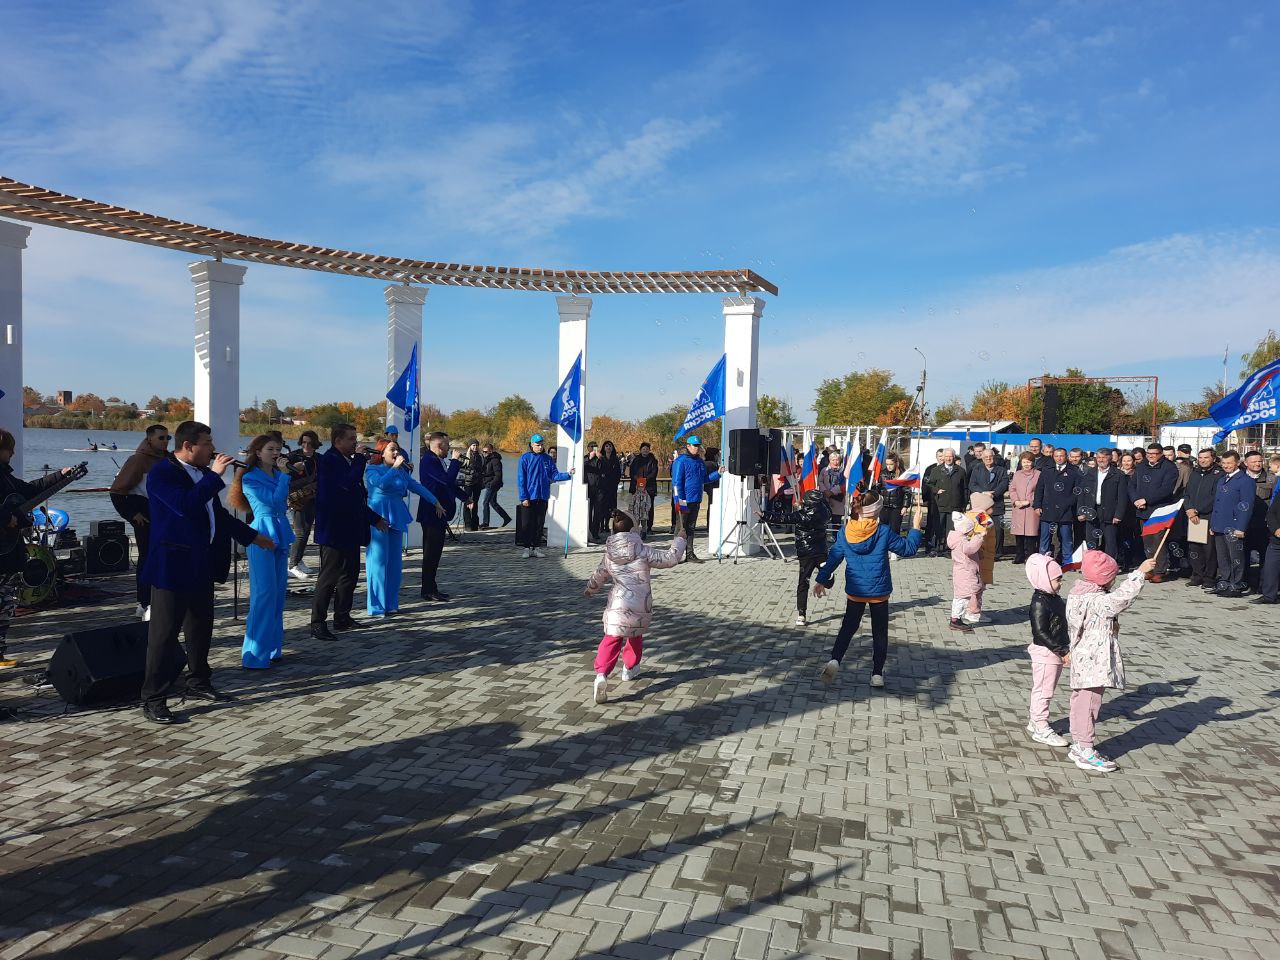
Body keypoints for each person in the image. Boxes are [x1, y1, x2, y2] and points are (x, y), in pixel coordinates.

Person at [138, 421, 272, 724]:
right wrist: (214, 477)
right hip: (171, 566)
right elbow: (184, 505)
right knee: (164, 634)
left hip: (201, 563)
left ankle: (198, 681)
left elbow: (219, 517)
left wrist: (252, 536)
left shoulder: (201, 476)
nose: (213, 449)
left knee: (200, 628)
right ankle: (153, 698)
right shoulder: (162, 472)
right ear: (189, 446)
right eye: (207, 443)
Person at [813, 491, 924, 688]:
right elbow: (908, 549)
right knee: (879, 632)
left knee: (848, 627)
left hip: (856, 589)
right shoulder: (883, 531)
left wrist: (821, 579)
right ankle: (877, 674)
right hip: (879, 592)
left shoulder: (845, 531)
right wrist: (916, 527)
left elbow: (834, 557)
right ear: (876, 511)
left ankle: (835, 660)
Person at [1064, 551, 1156, 773]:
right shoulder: (1097, 600)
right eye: (1112, 577)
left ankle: (1079, 743)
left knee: (1081, 702)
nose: (1114, 580)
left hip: (1083, 658)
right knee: (1089, 704)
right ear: (1104, 578)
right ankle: (1085, 749)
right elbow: (1120, 599)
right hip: (1093, 661)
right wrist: (1139, 574)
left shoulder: (1078, 594)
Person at [584, 510, 685, 704]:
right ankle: (629, 669)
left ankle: (601, 674)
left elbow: (599, 575)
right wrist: (679, 539)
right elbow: (671, 558)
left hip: (617, 605)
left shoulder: (609, 554)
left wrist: (590, 589)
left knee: (611, 639)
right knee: (634, 635)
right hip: (639, 605)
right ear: (633, 530)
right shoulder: (643, 550)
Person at [0, 431, 77, 671]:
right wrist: (6, 517)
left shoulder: (7, 477)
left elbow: (30, 491)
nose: (13, 453)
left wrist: (60, 477)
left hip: (9, 550)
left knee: (5, 601)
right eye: (9, 449)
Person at [310, 424, 387, 641]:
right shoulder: (330, 460)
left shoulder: (348, 461)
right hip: (334, 529)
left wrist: (375, 519)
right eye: (351, 439)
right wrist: (361, 461)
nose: (356, 442)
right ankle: (317, 623)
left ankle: (342, 616)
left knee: (350, 575)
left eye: (356, 438)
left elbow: (356, 498)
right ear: (338, 442)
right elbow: (346, 484)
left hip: (350, 528)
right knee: (329, 577)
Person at [228, 434, 295, 670]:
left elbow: (282, 504)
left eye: (278, 449)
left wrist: (284, 477)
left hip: (280, 530)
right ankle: (253, 654)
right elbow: (273, 504)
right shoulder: (249, 478)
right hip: (261, 533)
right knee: (264, 594)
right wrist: (285, 478)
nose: (276, 453)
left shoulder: (278, 475)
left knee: (277, 594)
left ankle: (273, 648)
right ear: (258, 452)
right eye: (270, 449)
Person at [365, 438, 442, 616]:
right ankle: (376, 606)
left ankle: (391, 604)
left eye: (398, 450)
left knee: (394, 564)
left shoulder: (401, 472)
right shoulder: (372, 469)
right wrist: (394, 468)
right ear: (382, 452)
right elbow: (382, 484)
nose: (396, 453)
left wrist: (434, 500)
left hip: (396, 514)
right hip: (378, 515)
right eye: (392, 450)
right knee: (378, 562)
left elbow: (416, 486)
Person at [109, 424, 170, 621]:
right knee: (147, 560)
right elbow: (116, 491)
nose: (165, 442)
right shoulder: (137, 460)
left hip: (163, 517)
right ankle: (144, 603)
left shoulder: (167, 460)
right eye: (161, 438)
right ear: (149, 439)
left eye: (167, 438)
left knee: (163, 559)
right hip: (145, 517)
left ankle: (158, 601)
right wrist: (132, 514)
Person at [761, 489, 832, 626]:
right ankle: (828, 576)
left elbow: (783, 518)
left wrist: (764, 515)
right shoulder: (825, 513)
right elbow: (826, 506)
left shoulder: (802, 515)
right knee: (826, 573)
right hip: (821, 549)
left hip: (806, 552)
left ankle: (801, 614)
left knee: (803, 582)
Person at [1024, 553, 1071, 748]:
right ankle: (1040, 726)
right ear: (1043, 579)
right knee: (1044, 690)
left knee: (1045, 689)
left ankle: (1036, 722)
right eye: (1057, 579)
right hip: (1046, 653)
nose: (1060, 583)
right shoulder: (1039, 602)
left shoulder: (1052, 597)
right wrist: (1061, 650)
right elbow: (1040, 632)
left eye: (1060, 579)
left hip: (1054, 651)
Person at [418, 431, 463, 601]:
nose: (449, 447)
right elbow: (446, 480)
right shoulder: (429, 461)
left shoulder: (438, 460)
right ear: (439, 445)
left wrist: (465, 497)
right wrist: (455, 461)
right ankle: (427, 590)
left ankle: (432, 587)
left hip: (440, 512)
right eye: (447, 444)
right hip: (431, 513)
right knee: (430, 554)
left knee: (435, 554)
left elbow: (449, 484)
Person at [1128, 442, 1180, 582]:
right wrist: (1136, 500)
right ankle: (1149, 568)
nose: (1151, 456)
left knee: (1158, 541)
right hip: (1141, 509)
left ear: (1161, 454)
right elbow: (1132, 485)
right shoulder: (1141, 466)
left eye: (1154, 454)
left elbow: (1166, 489)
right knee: (1147, 540)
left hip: (1159, 510)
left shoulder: (1169, 468)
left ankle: (1160, 570)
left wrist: (1147, 500)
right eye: (1149, 453)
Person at [516, 433, 572, 558]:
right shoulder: (525, 458)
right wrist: (523, 497)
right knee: (526, 524)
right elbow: (521, 479)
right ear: (531, 445)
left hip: (542, 496)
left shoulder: (547, 459)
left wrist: (568, 474)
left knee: (539, 523)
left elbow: (554, 475)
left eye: (541, 445)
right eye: (537, 445)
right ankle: (526, 548)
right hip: (529, 497)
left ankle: (536, 547)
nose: (540, 447)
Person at [1210, 450, 1254, 597]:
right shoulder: (1222, 479)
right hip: (1220, 525)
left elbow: (1246, 506)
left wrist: (1241, 527)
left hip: (1234, 526)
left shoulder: (1245, 481)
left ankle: (1236, 585)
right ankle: (1225, 582)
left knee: (1235, 557)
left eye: (1229, 463)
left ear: (1237, 463)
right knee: (1222, 557)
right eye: (1224, 463)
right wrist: (1213, 525)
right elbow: (1217, 504)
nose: (1226, 466)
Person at [670, 436, 720, 562]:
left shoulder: (700, 462)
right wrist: (679, 500)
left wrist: (718, 473)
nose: (697, 448)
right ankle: (675, 554)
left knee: (691, 527)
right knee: (681, 527)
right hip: (683, 500)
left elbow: (705, 479)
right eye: (694, 445)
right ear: (688, 446)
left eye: (698, 445)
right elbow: (677, 482)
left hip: (696, 498)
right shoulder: (680, 461)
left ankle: (690, 553)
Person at [1075, 448, 1126, 563]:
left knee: (1110, 541)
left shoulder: (1118, 474)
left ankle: (1110, 565)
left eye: (1103, 457)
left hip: (1110, 512)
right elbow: (1083, 493)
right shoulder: (1089, 472)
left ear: (1109, 458)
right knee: (1090, 540)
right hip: (1091, 511)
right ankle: (1092, 565)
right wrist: (1080, 511)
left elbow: (1122, 497)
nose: (1101, 460)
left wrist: (1118, 515)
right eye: (1098, 457)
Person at [1184, 448, 1222, 589]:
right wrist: (1188, 509)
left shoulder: (1218, 474)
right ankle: (1197, 575)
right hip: (1193, 516)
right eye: (1200, 457)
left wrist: (1197, 510)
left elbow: (1215, 497)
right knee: (1195, 548)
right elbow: (1186, 493)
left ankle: (1209, 578)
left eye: (1206, 457)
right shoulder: (1195, 473)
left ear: (1213, 458)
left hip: (1208, 515)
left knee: (1209, 550)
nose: (1202, 460)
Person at [285, 430, 321, 581]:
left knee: (306, 531)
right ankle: (292, 565)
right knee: (299, 532)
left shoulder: (319, 458)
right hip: (297, 499)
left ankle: (298, 560)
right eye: (304, 442)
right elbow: (283, 475)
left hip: (312, 497)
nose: (306, 445)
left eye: (309, 442)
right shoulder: (292, 456)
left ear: (315, 444)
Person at [1034, 447, 1078, 565]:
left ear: (1066, 456)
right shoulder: (1046, 470)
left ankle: (1068, 562)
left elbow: (1077, 491)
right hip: (1048, 508)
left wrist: (1069, 503)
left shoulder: (1074, 471)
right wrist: (1037, 505)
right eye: (1056, 456)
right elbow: (1039, 489)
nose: (1059, 458)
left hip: (1066, 510)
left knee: (1066, 538)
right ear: (1053, 457)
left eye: (1062, 456)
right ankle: (1043, 561)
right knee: (1045, 538)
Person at [947, 511, 989, 631]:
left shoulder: (957, 538)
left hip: (963, 572)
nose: (972, 532)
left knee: (962, 597)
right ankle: (956, 620)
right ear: (965, 529)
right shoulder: (962, 542)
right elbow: (970, 548)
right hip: (965, 573)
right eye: (971, 530)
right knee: (962, 598)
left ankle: (956, 618)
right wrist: (980, 536)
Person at [967, 446, 1009, 562]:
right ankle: (981, 551)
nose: (988, 459)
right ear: (982, 458)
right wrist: (983, 492)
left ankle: (996, 552)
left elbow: (1004, 484)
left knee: (996, 530)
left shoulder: (1001, 470)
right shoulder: (977, 469)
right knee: (981, 528)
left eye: (990, 457)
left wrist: (994, 494)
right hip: (981, 506)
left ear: (993, 457)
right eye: (986, 457)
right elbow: (972, 484)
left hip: (996, 504)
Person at [1243, 450, 1277, 589]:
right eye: (1254, 461)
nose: (1257, 464)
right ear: (1246, 463)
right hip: (1244, 524)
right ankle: (1244, 582)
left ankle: (1262, 586)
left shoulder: (1272, 479)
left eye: (1260, 461)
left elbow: (1275, 502)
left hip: (1263, 525)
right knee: (1243, 556)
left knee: (1264, 558)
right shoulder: (1240, 478)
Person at [923, 448, 967, 556]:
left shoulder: (960, 471)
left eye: (950, 456)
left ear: (954, 457)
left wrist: (964, 504)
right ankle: (938, 548)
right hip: (940, 504)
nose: (948, 458)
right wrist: (936, 490)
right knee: (939, 527)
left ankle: (948, 549)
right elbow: (929, 484)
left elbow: (965, 489)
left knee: (951, 529)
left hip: (955, 505)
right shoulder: (936, 470)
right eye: (946, 456)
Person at [1008, 451, 1041, 564]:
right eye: (1024, 462)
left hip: (1031, 508)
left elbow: (1040, 491)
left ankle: (1031, 556)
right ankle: (1019, 555)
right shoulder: (1017, 474)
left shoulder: (1038, 474)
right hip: (1018, 508)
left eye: (1029, 461)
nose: (1027, 464)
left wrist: (1029, 501)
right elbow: (1012, 489)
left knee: (1031, 533)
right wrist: (1016, 501)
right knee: (1019, 533)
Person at [1253, 474, 1280, 605]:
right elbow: (1271, 513)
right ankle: (1269, 595)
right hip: (1276, 539)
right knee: (1270, 568)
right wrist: (1275, 529)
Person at [627, 442, 659, 536]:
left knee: (649, 508)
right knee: (636, 508)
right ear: (640, 450)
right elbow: (632, 473)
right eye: (643, 449)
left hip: (649, 487)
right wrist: (638, 480)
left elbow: (654, 473)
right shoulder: (635, 460)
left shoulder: (653, 460)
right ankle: (636, 528)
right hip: (637, 487)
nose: (645, 451)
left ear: (649, 450)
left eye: (647, 449)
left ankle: (648, 527)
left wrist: (645, 480)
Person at [478, 442, 511, 529]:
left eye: (486, 452)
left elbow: (498, 476)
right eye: (483, 451)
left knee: (485, 502)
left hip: (494, 484)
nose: (484, 453)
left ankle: (485, 523)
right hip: (488, 483)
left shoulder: (495, 460)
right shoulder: (486, 459)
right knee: (493, 502)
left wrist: (490, 484)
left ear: (491, 451)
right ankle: (506, 518)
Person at [596, 441, 624, 539]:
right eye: (607, 446)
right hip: (603, 487)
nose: (608, 448)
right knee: (601, 506)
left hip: (612, 487)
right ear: (604, 448)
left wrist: (615, 482)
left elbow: (618, 473)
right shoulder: (600, 458)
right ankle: (601, 525)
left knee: (611, 506)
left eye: (610, 446)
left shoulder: (615, 459)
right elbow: (599, 472)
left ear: (612, 448)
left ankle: (607, 525)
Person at [456, 438, 485, 532]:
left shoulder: (481, 456)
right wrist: (468, 471)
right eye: (473, 445)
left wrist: (483, 480)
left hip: (478, 483)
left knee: (475, 503)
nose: (475, 447)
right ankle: (468, 525)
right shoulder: (465, 456)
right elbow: (457, 467)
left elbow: (483, 469)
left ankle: (475, 525)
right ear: (470, 446)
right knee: (467, 503)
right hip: (468, 483)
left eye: (476, 445)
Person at [921, 449, 946, 552]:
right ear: (936, 457)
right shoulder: (930, 468)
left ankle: (941, 544)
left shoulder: (949, 469)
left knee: (943, 522)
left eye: (943, 456)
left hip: (945, 501)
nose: (941, 458)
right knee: (931, 522)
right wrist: (925, 498)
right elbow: (925, 485)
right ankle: (928, 543)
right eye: (939, 456)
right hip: (932, 500)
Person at [880, 454, 906, 535]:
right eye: (887, 464)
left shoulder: (902, 474)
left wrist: (905, 506)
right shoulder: (882, 473)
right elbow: (879, 489)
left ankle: (894, 547)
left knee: (894, 529)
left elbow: (907, 491)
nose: (889, 466)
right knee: (883, 529)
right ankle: (883, 546)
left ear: (896, 463)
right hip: (884, 506)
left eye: (891, 464)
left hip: (896, 507)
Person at [818, 451, 847, 519]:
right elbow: (820, 481)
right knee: (825, 519)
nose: (835, 462)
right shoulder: (824, 470)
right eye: (833, 460)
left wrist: (832, 492)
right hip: (826, 496)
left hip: (837, 498)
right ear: (830, 460)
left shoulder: (843, 471)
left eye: (837, 460)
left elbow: (844, 483)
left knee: (836, 520)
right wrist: (825, 490)